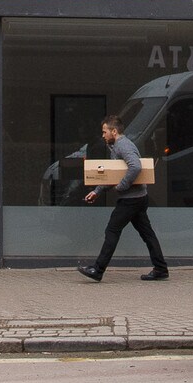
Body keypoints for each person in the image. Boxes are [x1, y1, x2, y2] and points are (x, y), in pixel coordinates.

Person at [76, 114, 168, 282]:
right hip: (139, 197)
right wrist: (97, 191)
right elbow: (114, 174)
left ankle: (98, 269)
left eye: (105, 132)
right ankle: (161, 268)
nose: (103, 135)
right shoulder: (117, 146)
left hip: (131, 199)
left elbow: (135, 166)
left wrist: (122, 186)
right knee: (147, 234)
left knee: (112, 230)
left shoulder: (123, 146)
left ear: (114, 131)